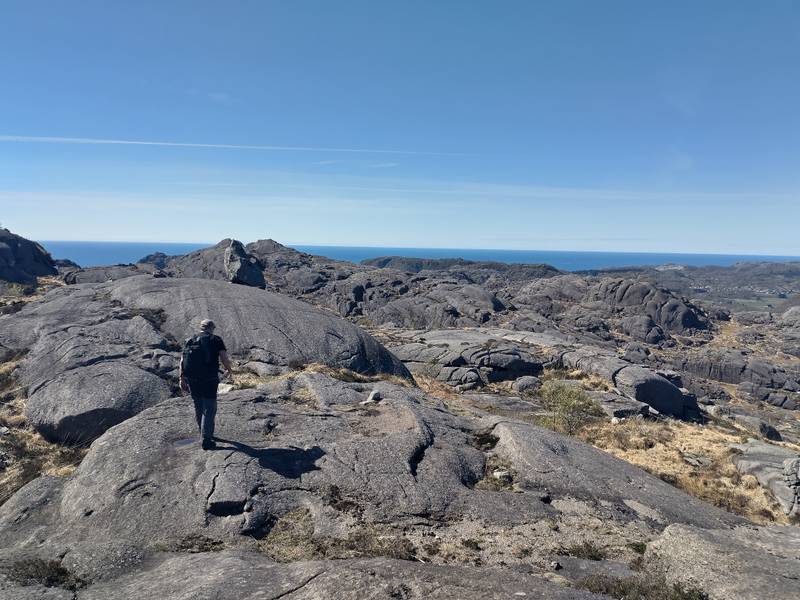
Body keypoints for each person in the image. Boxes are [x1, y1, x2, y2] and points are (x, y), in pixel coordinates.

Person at [179, 319, 234, 450]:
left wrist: (181, 378)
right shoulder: (215, 339)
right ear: (211, 328)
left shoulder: (190, 340)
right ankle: (207, 439)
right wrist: (230, 371)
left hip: (192, 378)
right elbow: (224, 357)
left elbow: (182, 360)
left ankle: (203, 433)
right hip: (209, 378)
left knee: (198, 406)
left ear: (201, 327)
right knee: (209, 408)